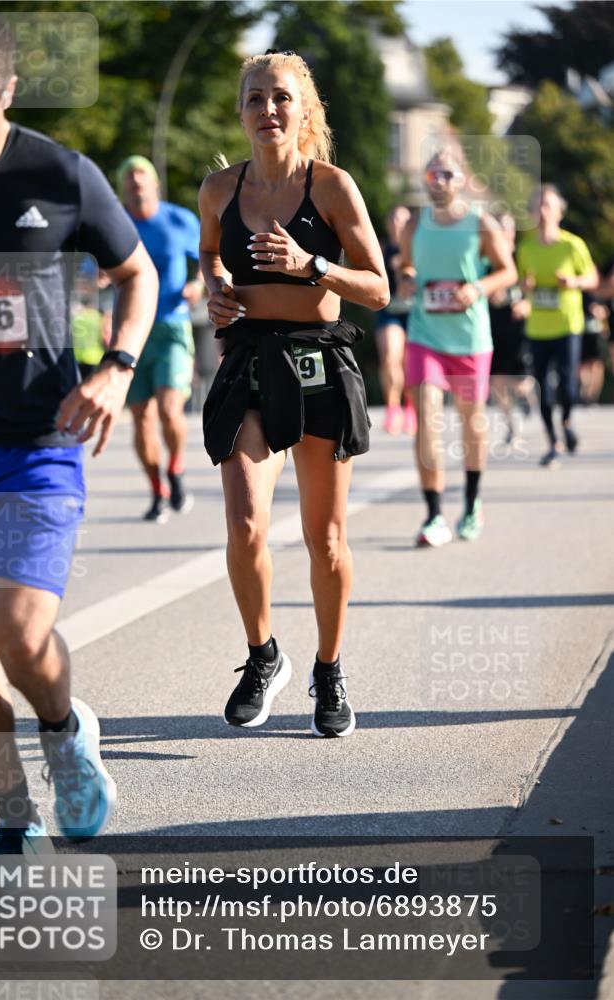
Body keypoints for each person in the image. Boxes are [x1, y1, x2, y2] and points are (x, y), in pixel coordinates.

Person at [0, 3, 158, 891]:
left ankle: (66, 732)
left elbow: (135, 273)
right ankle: (13, 822)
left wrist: (114, 366)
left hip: (40, 437)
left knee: (15, 629)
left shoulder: (61, 175)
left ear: (8, 94)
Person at [198, 50, 388, 737]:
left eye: (280, 98)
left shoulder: (331, 187)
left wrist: (315, 266)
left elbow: (378, 287)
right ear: (241, 110)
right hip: (249, 361)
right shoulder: (219, 190)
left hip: (318, 366)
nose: (267, 110)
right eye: (255, 98)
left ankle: (329, 670)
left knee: (325, 539)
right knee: (245, 524)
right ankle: (261, 655)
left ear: (303, 110)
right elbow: (210, 261)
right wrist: (216, 296)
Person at [398, 149, 517, 546]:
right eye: (432, 174)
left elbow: (508, 270)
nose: (439, 181)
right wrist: (410, 279)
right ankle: (433, 515)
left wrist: (477, 288)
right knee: (427, 415)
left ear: (462, 180)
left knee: (470, 422)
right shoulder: (415, 223)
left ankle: (471, 503)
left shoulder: (480, 223)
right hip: (425, 334)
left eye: (447, 174)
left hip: (469, 338)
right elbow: (406, 266)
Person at [118, 155, 203, 521]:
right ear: (122, 187)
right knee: (141, 418)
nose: (136, 181)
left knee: (170, 410)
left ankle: (176, 468)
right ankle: (157, 489)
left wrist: (197, 284)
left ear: (154, 183)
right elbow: (98, 269)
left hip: (172, 325)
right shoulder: (115, 224)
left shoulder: (179, 219)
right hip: (133, 328)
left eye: (142, 174)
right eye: (129, 176)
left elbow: (207, 258)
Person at [516, 185, 598, 467]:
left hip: (567, 324)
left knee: (567, 385)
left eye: (548, 205)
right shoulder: (525, 249)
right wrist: (524, 288)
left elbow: (592, 278)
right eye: (537, 206)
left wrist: (573, 282)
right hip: (537, 327)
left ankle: (567, 422)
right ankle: (553, 441)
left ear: (559, 212)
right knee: (542, 388)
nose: (542, 211)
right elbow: (521, 286)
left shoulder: (572, 245)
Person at [487, 212, 535, 445]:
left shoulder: (523, 256)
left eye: (507, 229)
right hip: (493, 324)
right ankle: (512, 427)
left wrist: (527, 302)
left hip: (519, 327)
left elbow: (537, 287)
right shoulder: (487, 260)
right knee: (496, 380)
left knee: (520, 381)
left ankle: (526, 398)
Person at [376, 205, 416, 434]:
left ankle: (410, 408)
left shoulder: (418, 249)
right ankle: (393, 408)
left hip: (413, 315)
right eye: (392, 218)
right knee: (391, 357)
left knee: (409, 362)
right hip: (389, 313)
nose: (396, 223)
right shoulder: (382, 249)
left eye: (402, 219)